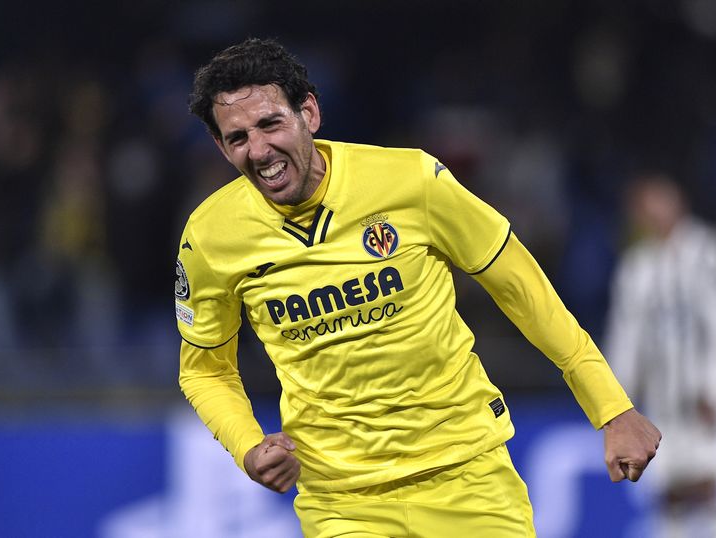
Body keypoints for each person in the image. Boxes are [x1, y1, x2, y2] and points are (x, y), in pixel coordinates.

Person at [177, 37, 661, 537]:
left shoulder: (408, 180)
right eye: (237, 138)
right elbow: (204, 372)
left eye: (270, 124)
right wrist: (248, 446)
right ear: (220, 146)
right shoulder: (212, 236)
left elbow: (524, 290)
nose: (259, 150)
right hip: (342, 502)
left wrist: (612, 408)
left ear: (310, 114)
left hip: (466, 476)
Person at [605, 173, 716, 538]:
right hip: (659, 400)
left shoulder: (713, 251)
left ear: (677, 200)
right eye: (644, 205)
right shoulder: (636, 267)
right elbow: (625, 337)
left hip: (702, 396)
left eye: (659, 200)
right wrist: (616, 401)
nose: (652, 212)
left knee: (710, 489)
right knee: (665, 495)